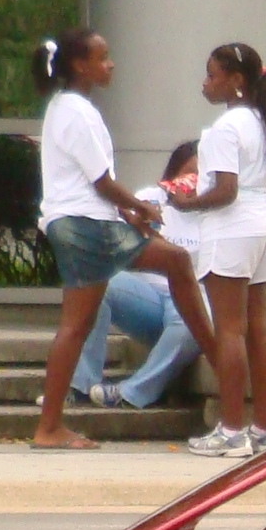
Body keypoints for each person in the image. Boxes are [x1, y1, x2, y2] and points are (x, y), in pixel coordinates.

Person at [30, 29, 215, 451]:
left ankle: (49, 426)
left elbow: (91, 185)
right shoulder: (78, 112)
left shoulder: (64, 107)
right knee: (178, 262)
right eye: (103, 57)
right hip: (88, 226)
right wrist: (142, 208)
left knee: (75, 326)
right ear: (80, 66)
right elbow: (101, 182)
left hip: (78, 223)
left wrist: (128, 212)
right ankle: (219, 358)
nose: (110, 64)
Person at [187, 41, 266, 458]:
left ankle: (231, 431)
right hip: (263, 225)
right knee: (258, 329)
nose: (205, 83)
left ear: (236, 81)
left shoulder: (226, 127)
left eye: (212, 76)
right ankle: (264, 429)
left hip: (230, 229)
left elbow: (225, 190)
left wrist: (186, 203)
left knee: (228, 330)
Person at [75, 143, 206, 411]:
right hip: (149, 296)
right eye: (190, 172)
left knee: (188, 324)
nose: (195, 182)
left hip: (192, 300)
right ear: (174, 172)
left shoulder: (219, 213)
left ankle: (131, 392)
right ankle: (80, 386)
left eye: (205, 175)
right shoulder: (150, 199)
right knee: (97, 283)